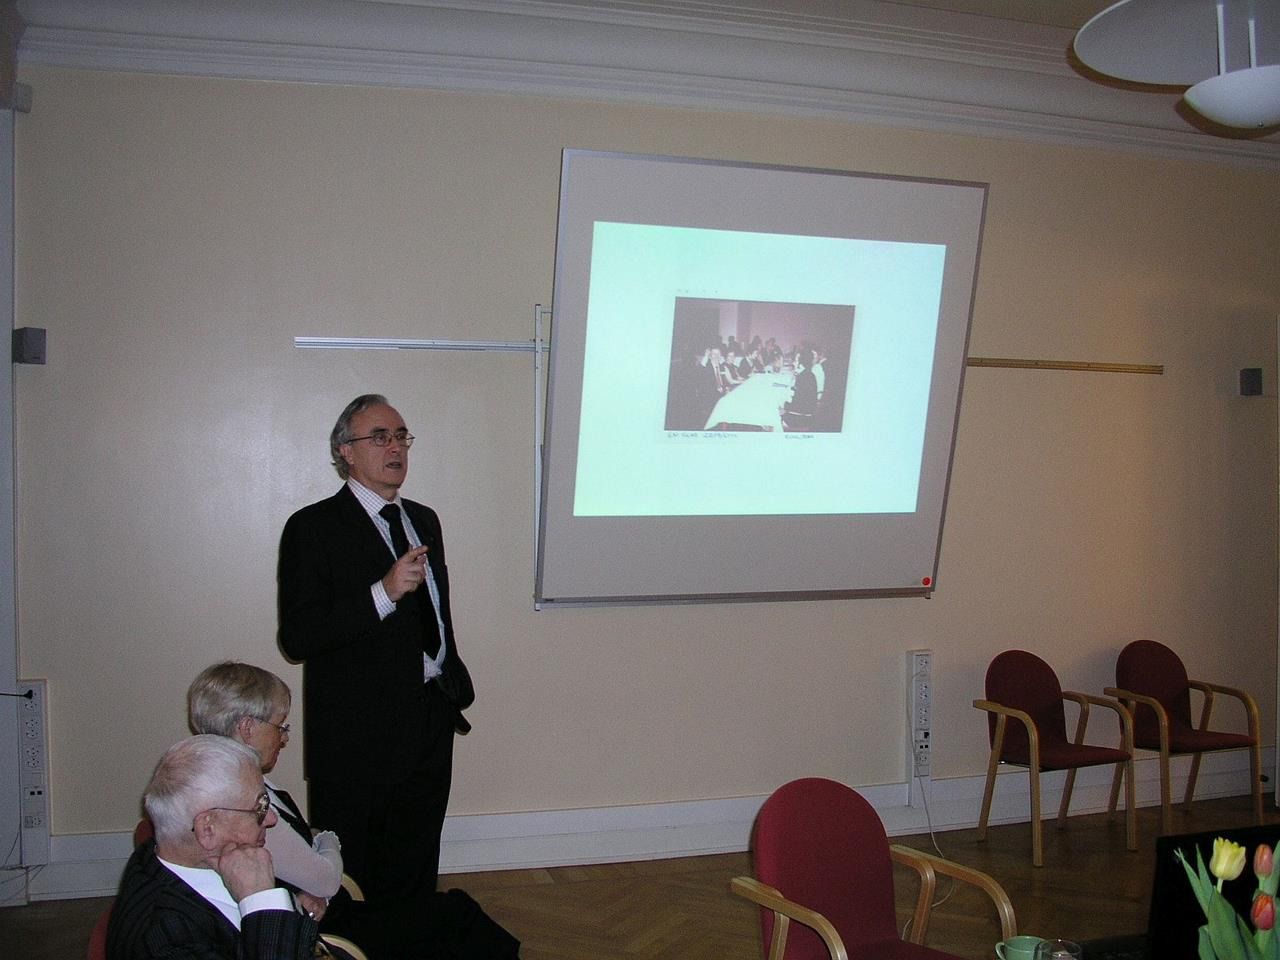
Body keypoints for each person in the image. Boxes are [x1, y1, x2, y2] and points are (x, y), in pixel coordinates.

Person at [278, 394, 473, 907]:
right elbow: (298, 637)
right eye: (380, 437)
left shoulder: (424, 520)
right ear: (345, 451)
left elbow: (435, 614)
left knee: (417, 859)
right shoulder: (312, 527)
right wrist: (382, 593)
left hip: (428, 715)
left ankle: (412, 937)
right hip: (357, 733)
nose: (395, 448)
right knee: (357, 874)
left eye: (401, 436)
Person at [188, 661, 518, 959]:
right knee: (457, 913)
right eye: (279, 726)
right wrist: (327, 838)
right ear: (247, 728)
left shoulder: (220, 785)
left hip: (318, 915)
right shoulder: (245, 805)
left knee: (448, 916)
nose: (284, 738)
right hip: (326, 936)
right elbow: (327, 879)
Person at [106, 735, 326, 960]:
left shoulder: (177, 855)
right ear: (207, 829)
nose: (271, 819)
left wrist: (292, 905)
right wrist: (262, 901)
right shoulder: (166, 943)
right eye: (260, 807)